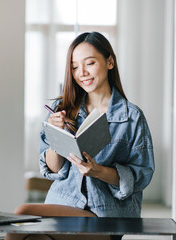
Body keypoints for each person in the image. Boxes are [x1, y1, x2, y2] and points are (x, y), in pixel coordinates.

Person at [15, 32, 155, 223]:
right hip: (64, 202)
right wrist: (57, 136)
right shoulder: (61, 110)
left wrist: (98, 171)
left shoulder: (132, 117)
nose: (82, 73)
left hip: (107, 213)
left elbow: (141, 176)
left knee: (25, 215)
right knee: (23, 218)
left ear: (110, 62)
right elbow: (53, 169)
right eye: (74, 67)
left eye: (89, 63)